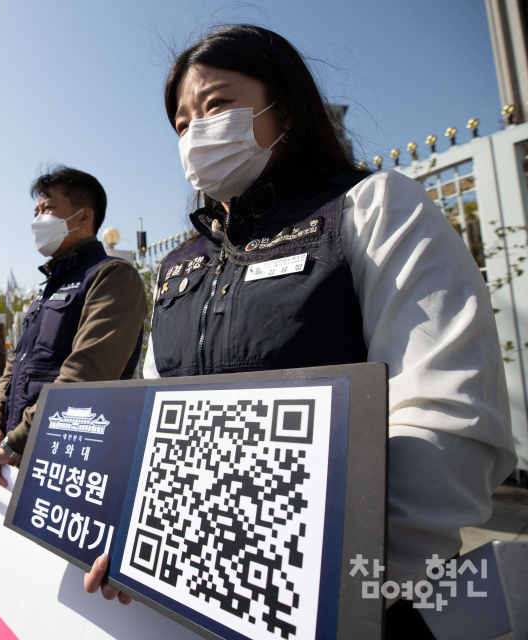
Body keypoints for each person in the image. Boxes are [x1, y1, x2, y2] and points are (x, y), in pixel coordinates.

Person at [82, 25, 517, 635]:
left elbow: (447, 418)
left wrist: (324, 574)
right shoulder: (179, 267)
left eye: (217, 104)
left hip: (350, 609)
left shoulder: (373, 210)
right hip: (197, 605)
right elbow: (156, 428)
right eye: (182, 123)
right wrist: (137, 538)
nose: (196, 133)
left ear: (283, 109)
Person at [0, 167, 149, 484]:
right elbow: (16, 364)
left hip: (67, 463)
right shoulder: (45, 290)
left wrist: (17, 440)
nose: (37, 219)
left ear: (83, 217)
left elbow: (85, 374)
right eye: (36, 211)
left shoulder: (111, 276)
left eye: (48, 209)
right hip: (14, 460)